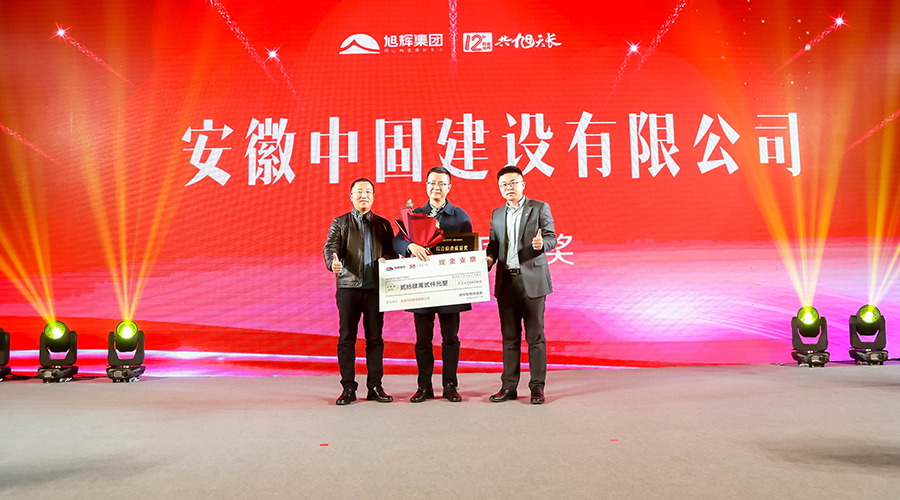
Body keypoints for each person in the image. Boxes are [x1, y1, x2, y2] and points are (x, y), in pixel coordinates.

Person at [393, 166, 473, 403]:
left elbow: (469, 251)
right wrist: (410, 246)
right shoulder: (415, 214)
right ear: (426, 185)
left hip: (450, 288)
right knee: (423, 340)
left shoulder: (460, 217)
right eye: (432, 183)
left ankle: (450, 385)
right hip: (422, 287)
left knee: (450, 338)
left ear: (449, 187)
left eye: (441, 184)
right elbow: (397, 242)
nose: (436, 187)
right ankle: (424, 386)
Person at [324, 178, 398, 405]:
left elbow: (393, 251)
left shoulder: (383, 224)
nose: (363, 195)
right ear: (351, 197)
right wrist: (332, 263)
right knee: (347, 338)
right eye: (359, 192)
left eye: (368, 192)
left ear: (373, 197)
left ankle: (375, 386)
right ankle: (348, 387)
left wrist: (388, 259)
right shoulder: (340, 222)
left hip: (375, 289)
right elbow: (330, 247)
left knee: (375, 339)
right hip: (348, 289)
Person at [485, 165, 556, 404]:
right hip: (507, 282)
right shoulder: (497, 214)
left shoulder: (539, 208)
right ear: (499, 188)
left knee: (535, 337)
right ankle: (508, 387)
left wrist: (541, 245)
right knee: (510, 337)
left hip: (532, 282)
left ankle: (537, 388)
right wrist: (489, 258)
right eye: (504, 184)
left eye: (513, 183)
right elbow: (493, 244)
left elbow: (551, 237)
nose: (509, 188)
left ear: (523, 184)